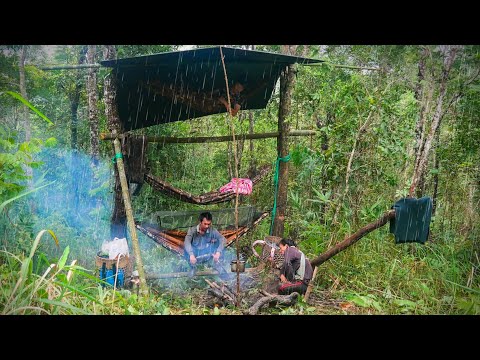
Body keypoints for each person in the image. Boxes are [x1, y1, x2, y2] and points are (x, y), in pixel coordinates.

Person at [184, 212, 227, 277]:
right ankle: (192, 268)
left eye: (209, 224)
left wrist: (218, 252)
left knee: (219, 243)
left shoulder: (212, 230)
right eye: (205, 224)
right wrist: (191, 255)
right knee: (186, 248)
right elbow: (187, 242)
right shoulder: (192, 230)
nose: (207, 226)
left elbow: (223, 239)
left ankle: (218, 266)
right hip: (195, 254)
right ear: (200, 222)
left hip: (208, 253)